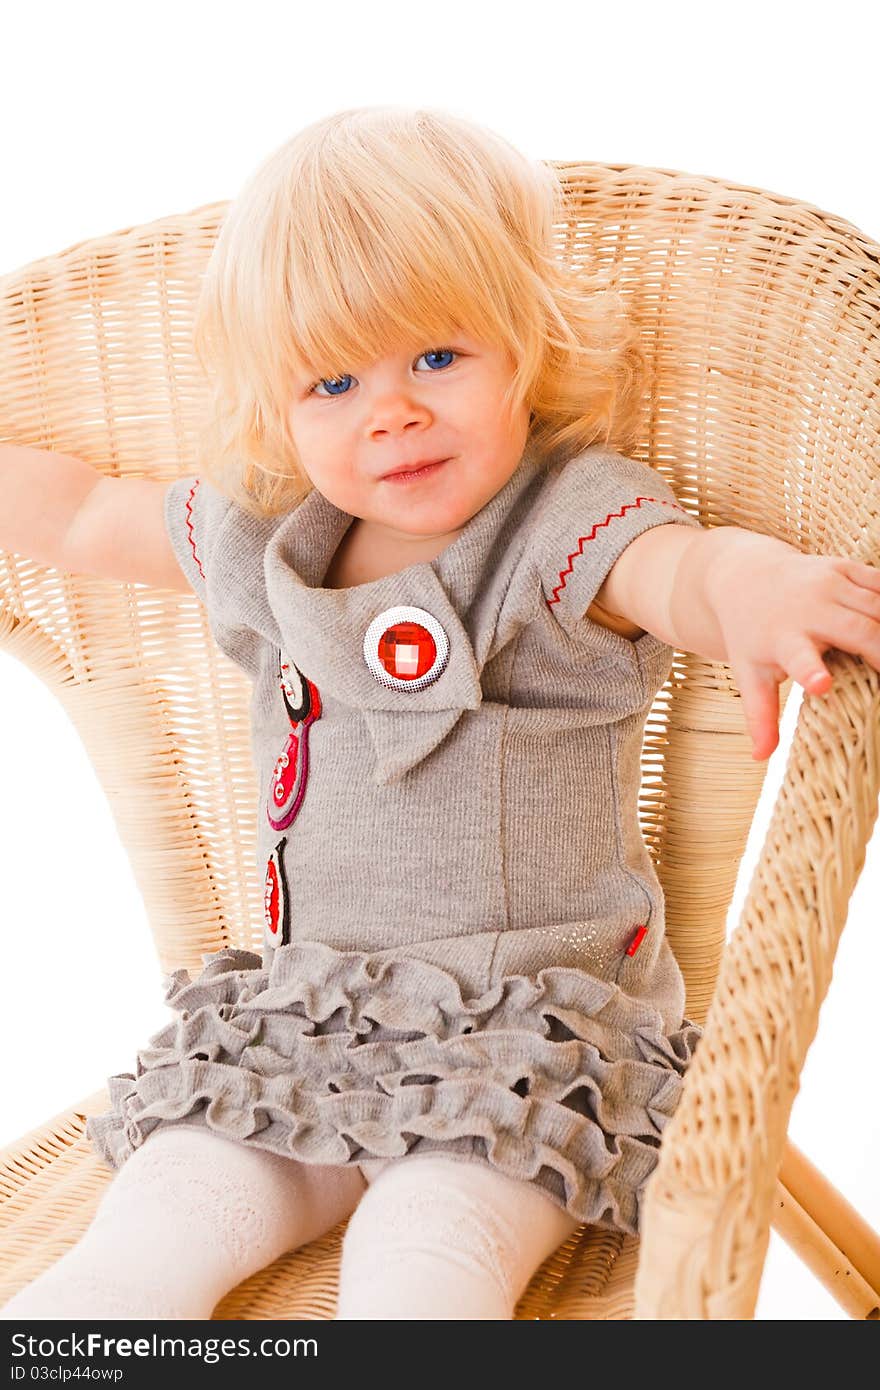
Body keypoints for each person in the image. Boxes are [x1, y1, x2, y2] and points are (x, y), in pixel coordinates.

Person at [2, 105, 875, 1323]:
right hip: (300, 1026)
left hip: (518, 1040)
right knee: (161, 1218)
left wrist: (757, 586)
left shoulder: (556, 524)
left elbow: (678, 572)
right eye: (334, 379)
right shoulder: (266, 542)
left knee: (425, 1256)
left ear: (526, 344)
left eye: (437, 358)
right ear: (280, 403)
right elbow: (83, 515)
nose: (391, 412)